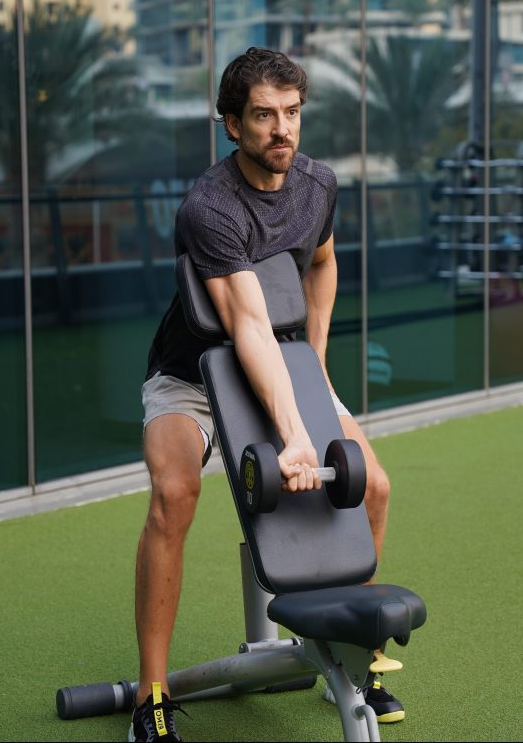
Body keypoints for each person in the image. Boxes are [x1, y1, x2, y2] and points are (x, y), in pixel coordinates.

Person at [129, 47, 401, 743]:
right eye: (261, 116)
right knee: (174, 495)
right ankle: (152, 693)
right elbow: (246, 325)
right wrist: (298, 433)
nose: (281, 130)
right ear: (230, 125)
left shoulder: (318, 184)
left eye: (290, 114)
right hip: (192, 377)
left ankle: (351, 657)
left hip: (285, 364)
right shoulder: (208, 207)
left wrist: (311, 366)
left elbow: (323, 261)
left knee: (371, 486)